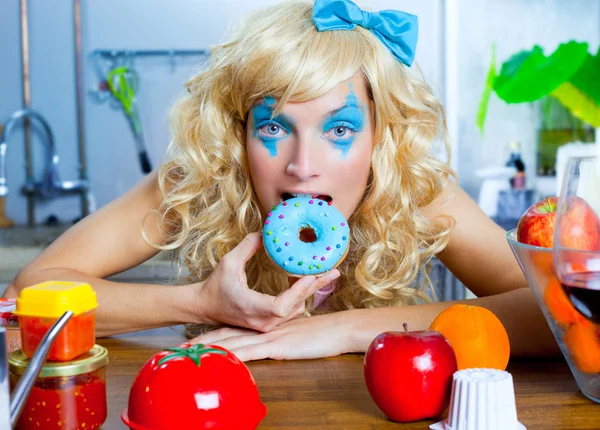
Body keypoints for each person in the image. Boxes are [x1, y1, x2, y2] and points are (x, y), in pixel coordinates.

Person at [4, 0, 559, 361]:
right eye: (273, 126)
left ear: (379, 136)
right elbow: (28, 291)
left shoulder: (412, 187)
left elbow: (561, 312)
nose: (302, 164)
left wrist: (346, 329)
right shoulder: (206, 176)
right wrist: (200, 303)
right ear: (239, 131)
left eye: (339, 128)